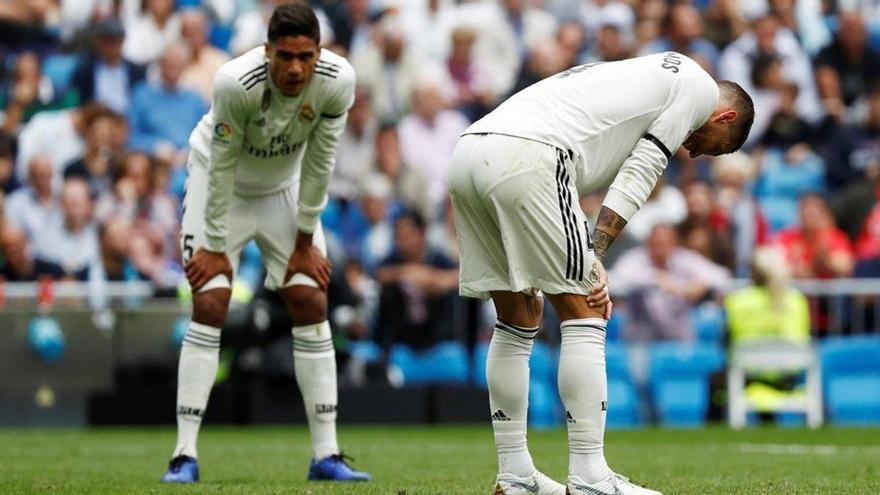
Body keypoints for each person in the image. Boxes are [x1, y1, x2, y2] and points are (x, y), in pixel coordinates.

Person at [447, 52, 753, 495]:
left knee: (517, 316)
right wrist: (596, 254)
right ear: (724, 115)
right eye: (715, 145)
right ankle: (590, 477)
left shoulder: (653, 73)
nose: (697, 152)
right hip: (530, 152)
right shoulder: (699, 88)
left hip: (471, 149)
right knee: (587, 310)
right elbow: (642, 169)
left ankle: (515, 475)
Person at [160, 4, 370, 484]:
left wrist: (303, 240)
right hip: (222, 186)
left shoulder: (338, 81)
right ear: (267, 51)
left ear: (320, 52)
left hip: (283, 189)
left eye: (306, 57)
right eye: (285, 57)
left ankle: (327, 456)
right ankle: (183, 455)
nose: (296, 69)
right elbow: (224, 163)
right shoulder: (235, 82)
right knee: (210, 302)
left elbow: (321, 161)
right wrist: (213, 245)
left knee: (310, 298)